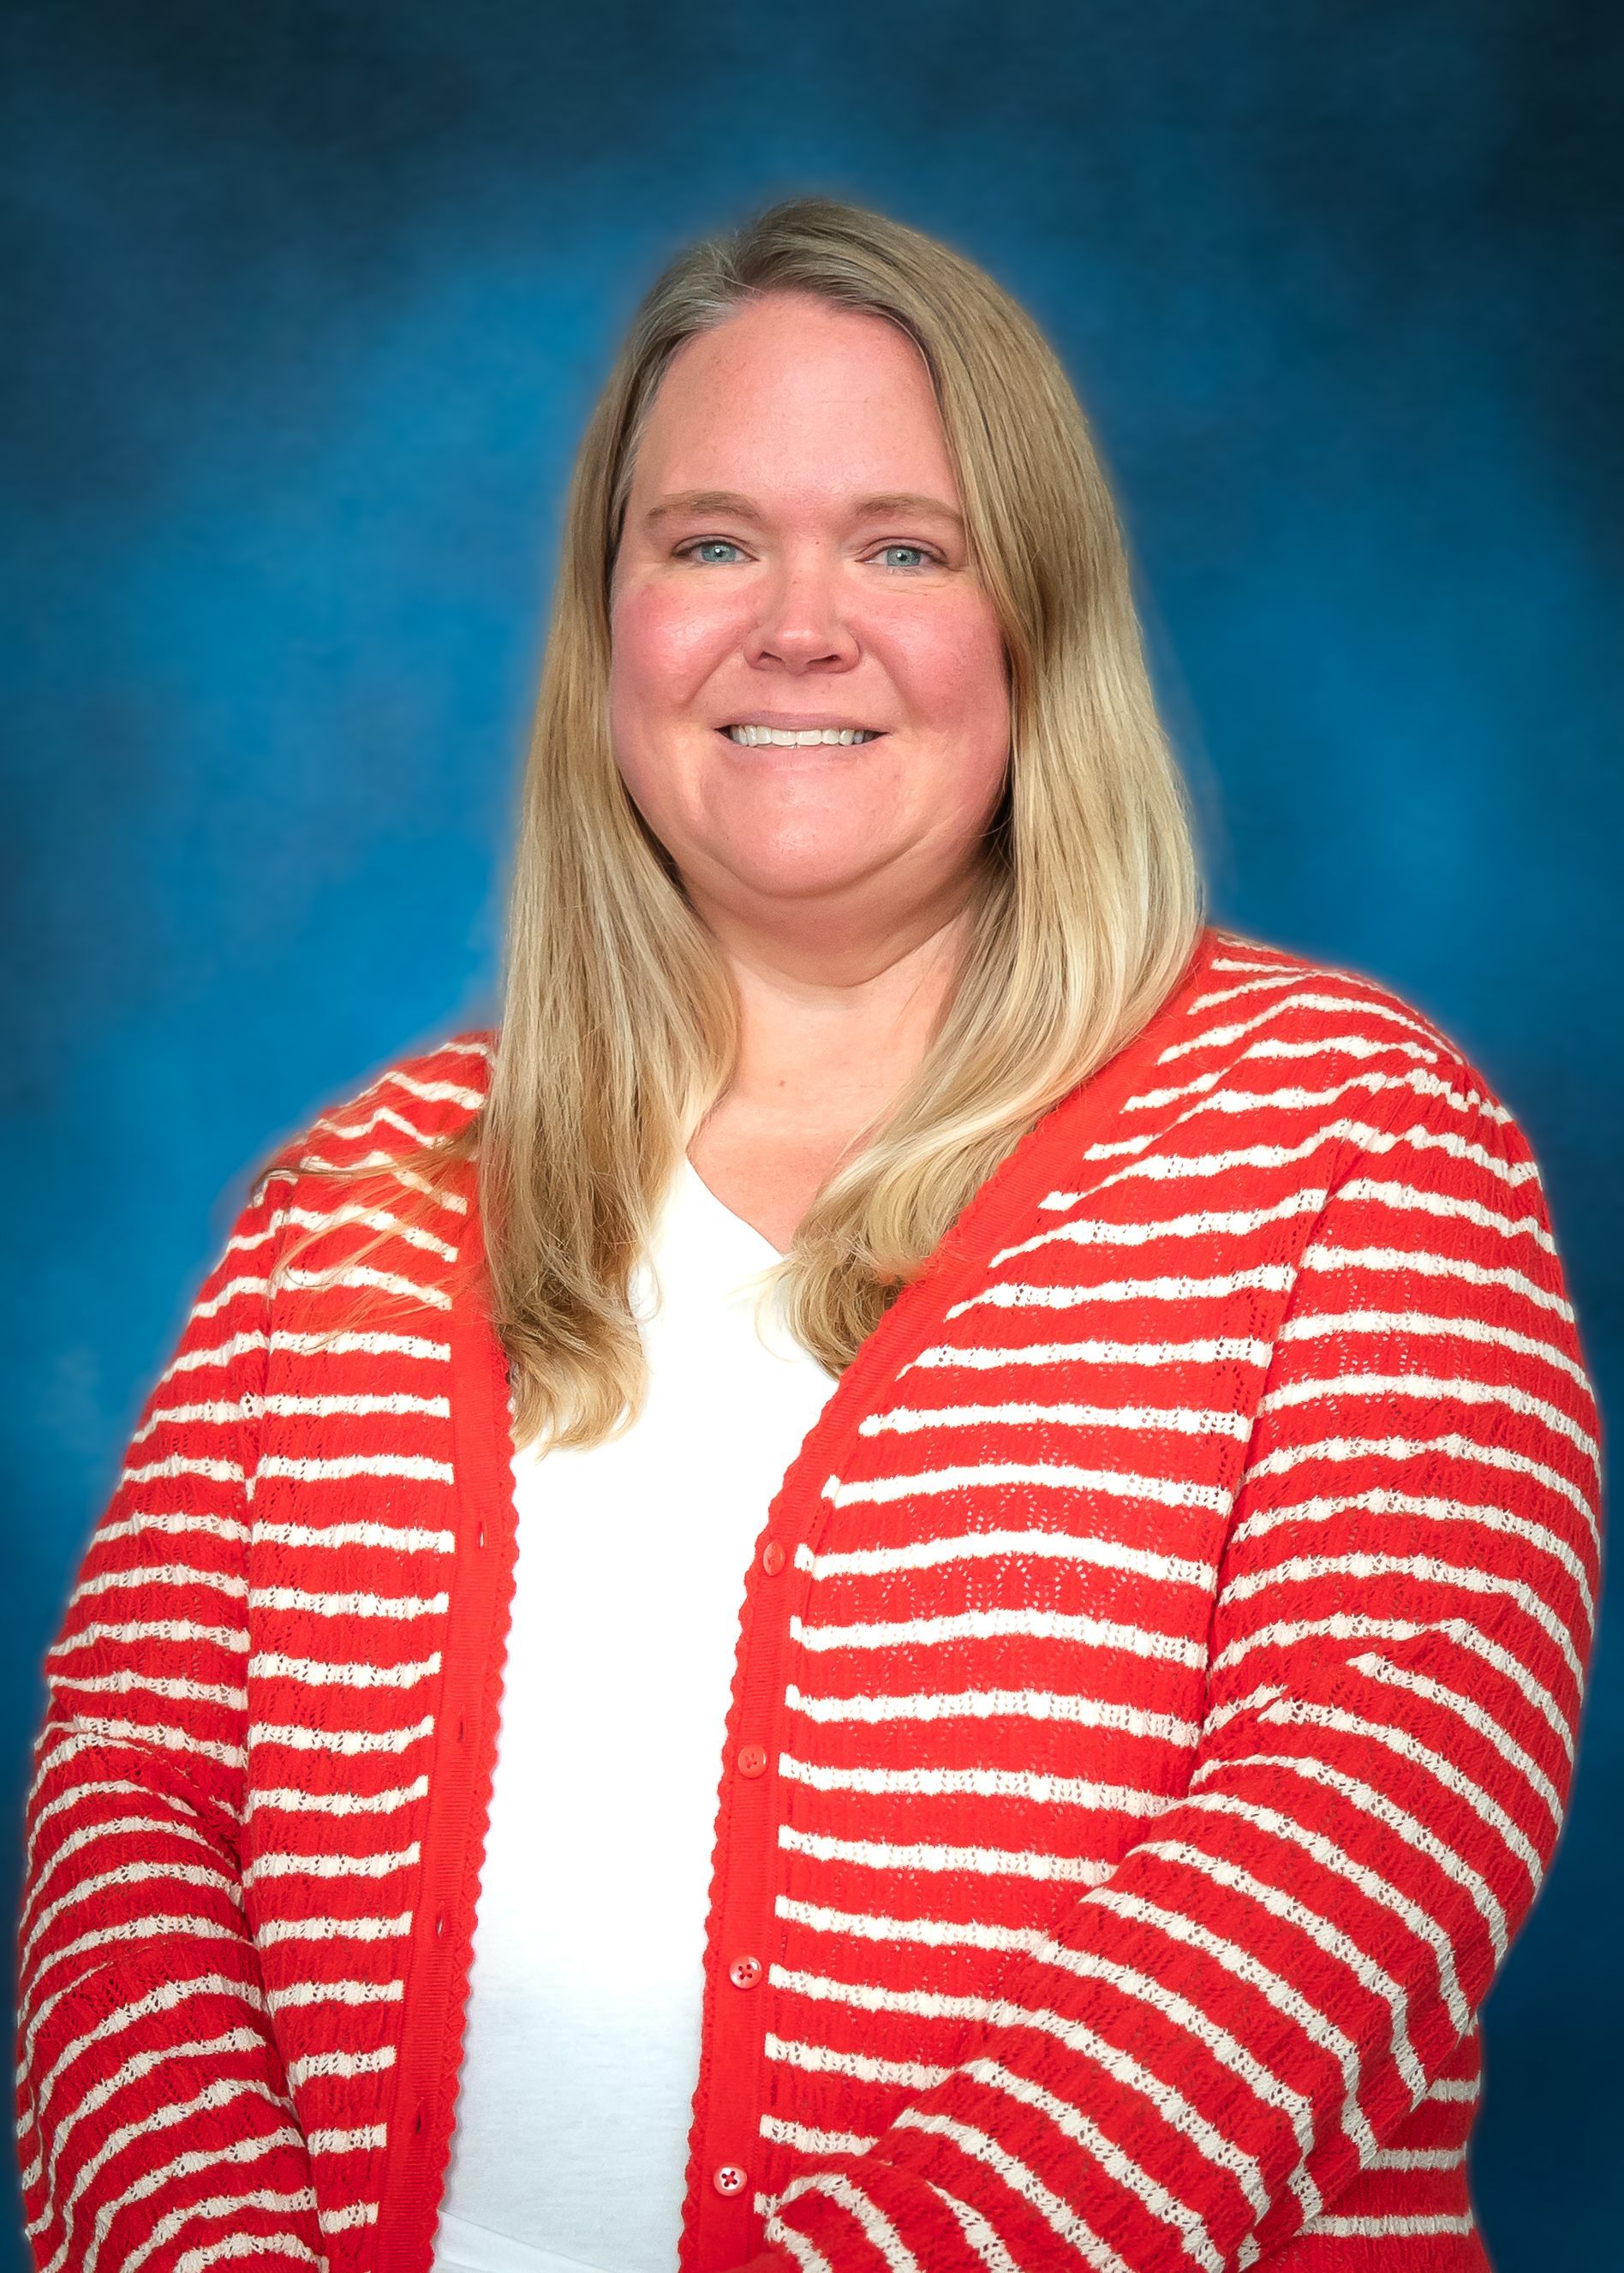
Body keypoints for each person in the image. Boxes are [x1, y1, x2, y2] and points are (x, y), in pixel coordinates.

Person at [14, 194, 1600, 2273]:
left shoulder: (1355, 1140)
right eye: (710, 540)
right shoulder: (355, 1204)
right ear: (614, 629)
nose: (798, 624)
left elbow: (1361, 1830)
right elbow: (130, 1808)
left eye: (903, 545)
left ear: (1037, 626)